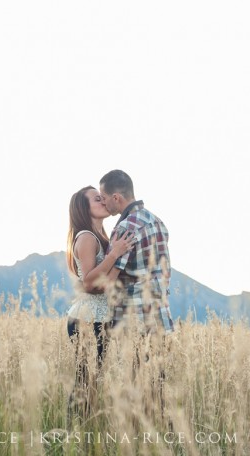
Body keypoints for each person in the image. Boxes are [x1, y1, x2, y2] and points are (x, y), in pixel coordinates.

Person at [66, 185, 135, 419]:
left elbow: (106, 282)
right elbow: (89, 283)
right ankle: (72, 434)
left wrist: (118, 258)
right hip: (86, 318)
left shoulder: (103, 237)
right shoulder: (86, 237)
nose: (103, 201)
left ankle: (82, 430)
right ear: (84, 209)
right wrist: (115, 254)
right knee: (85, 380)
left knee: (93, 380)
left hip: (99, 317)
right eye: (97, 199)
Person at [99, 170, 174, 335]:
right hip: (160, 316)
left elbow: (109, 281)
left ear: (116, 197)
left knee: (134, 362)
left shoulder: (125, 227)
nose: (103, 203)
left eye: (103, 198)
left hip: (134, 319)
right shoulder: (158, 222)